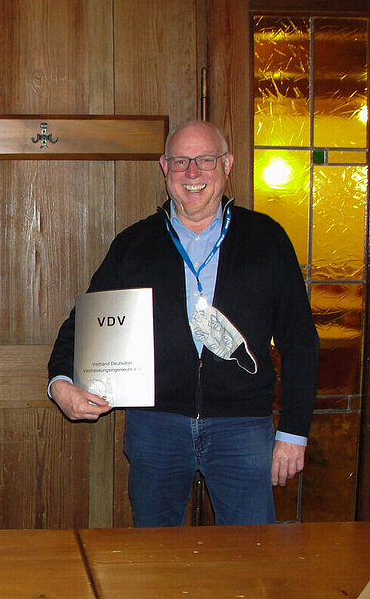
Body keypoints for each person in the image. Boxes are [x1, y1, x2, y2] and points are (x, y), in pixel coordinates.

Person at [47, 120, 319, 527]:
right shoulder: (134, 244)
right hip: (156, 427)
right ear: (164, 166)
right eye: (180, 161)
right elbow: (85, 323)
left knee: (251, 554)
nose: (192, 172)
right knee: (155, 555)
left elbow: (300, 341)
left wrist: (294, 431)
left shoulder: (267, 239)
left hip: (243, 427)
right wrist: (60, 381)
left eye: (205, 160)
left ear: (226, 164)